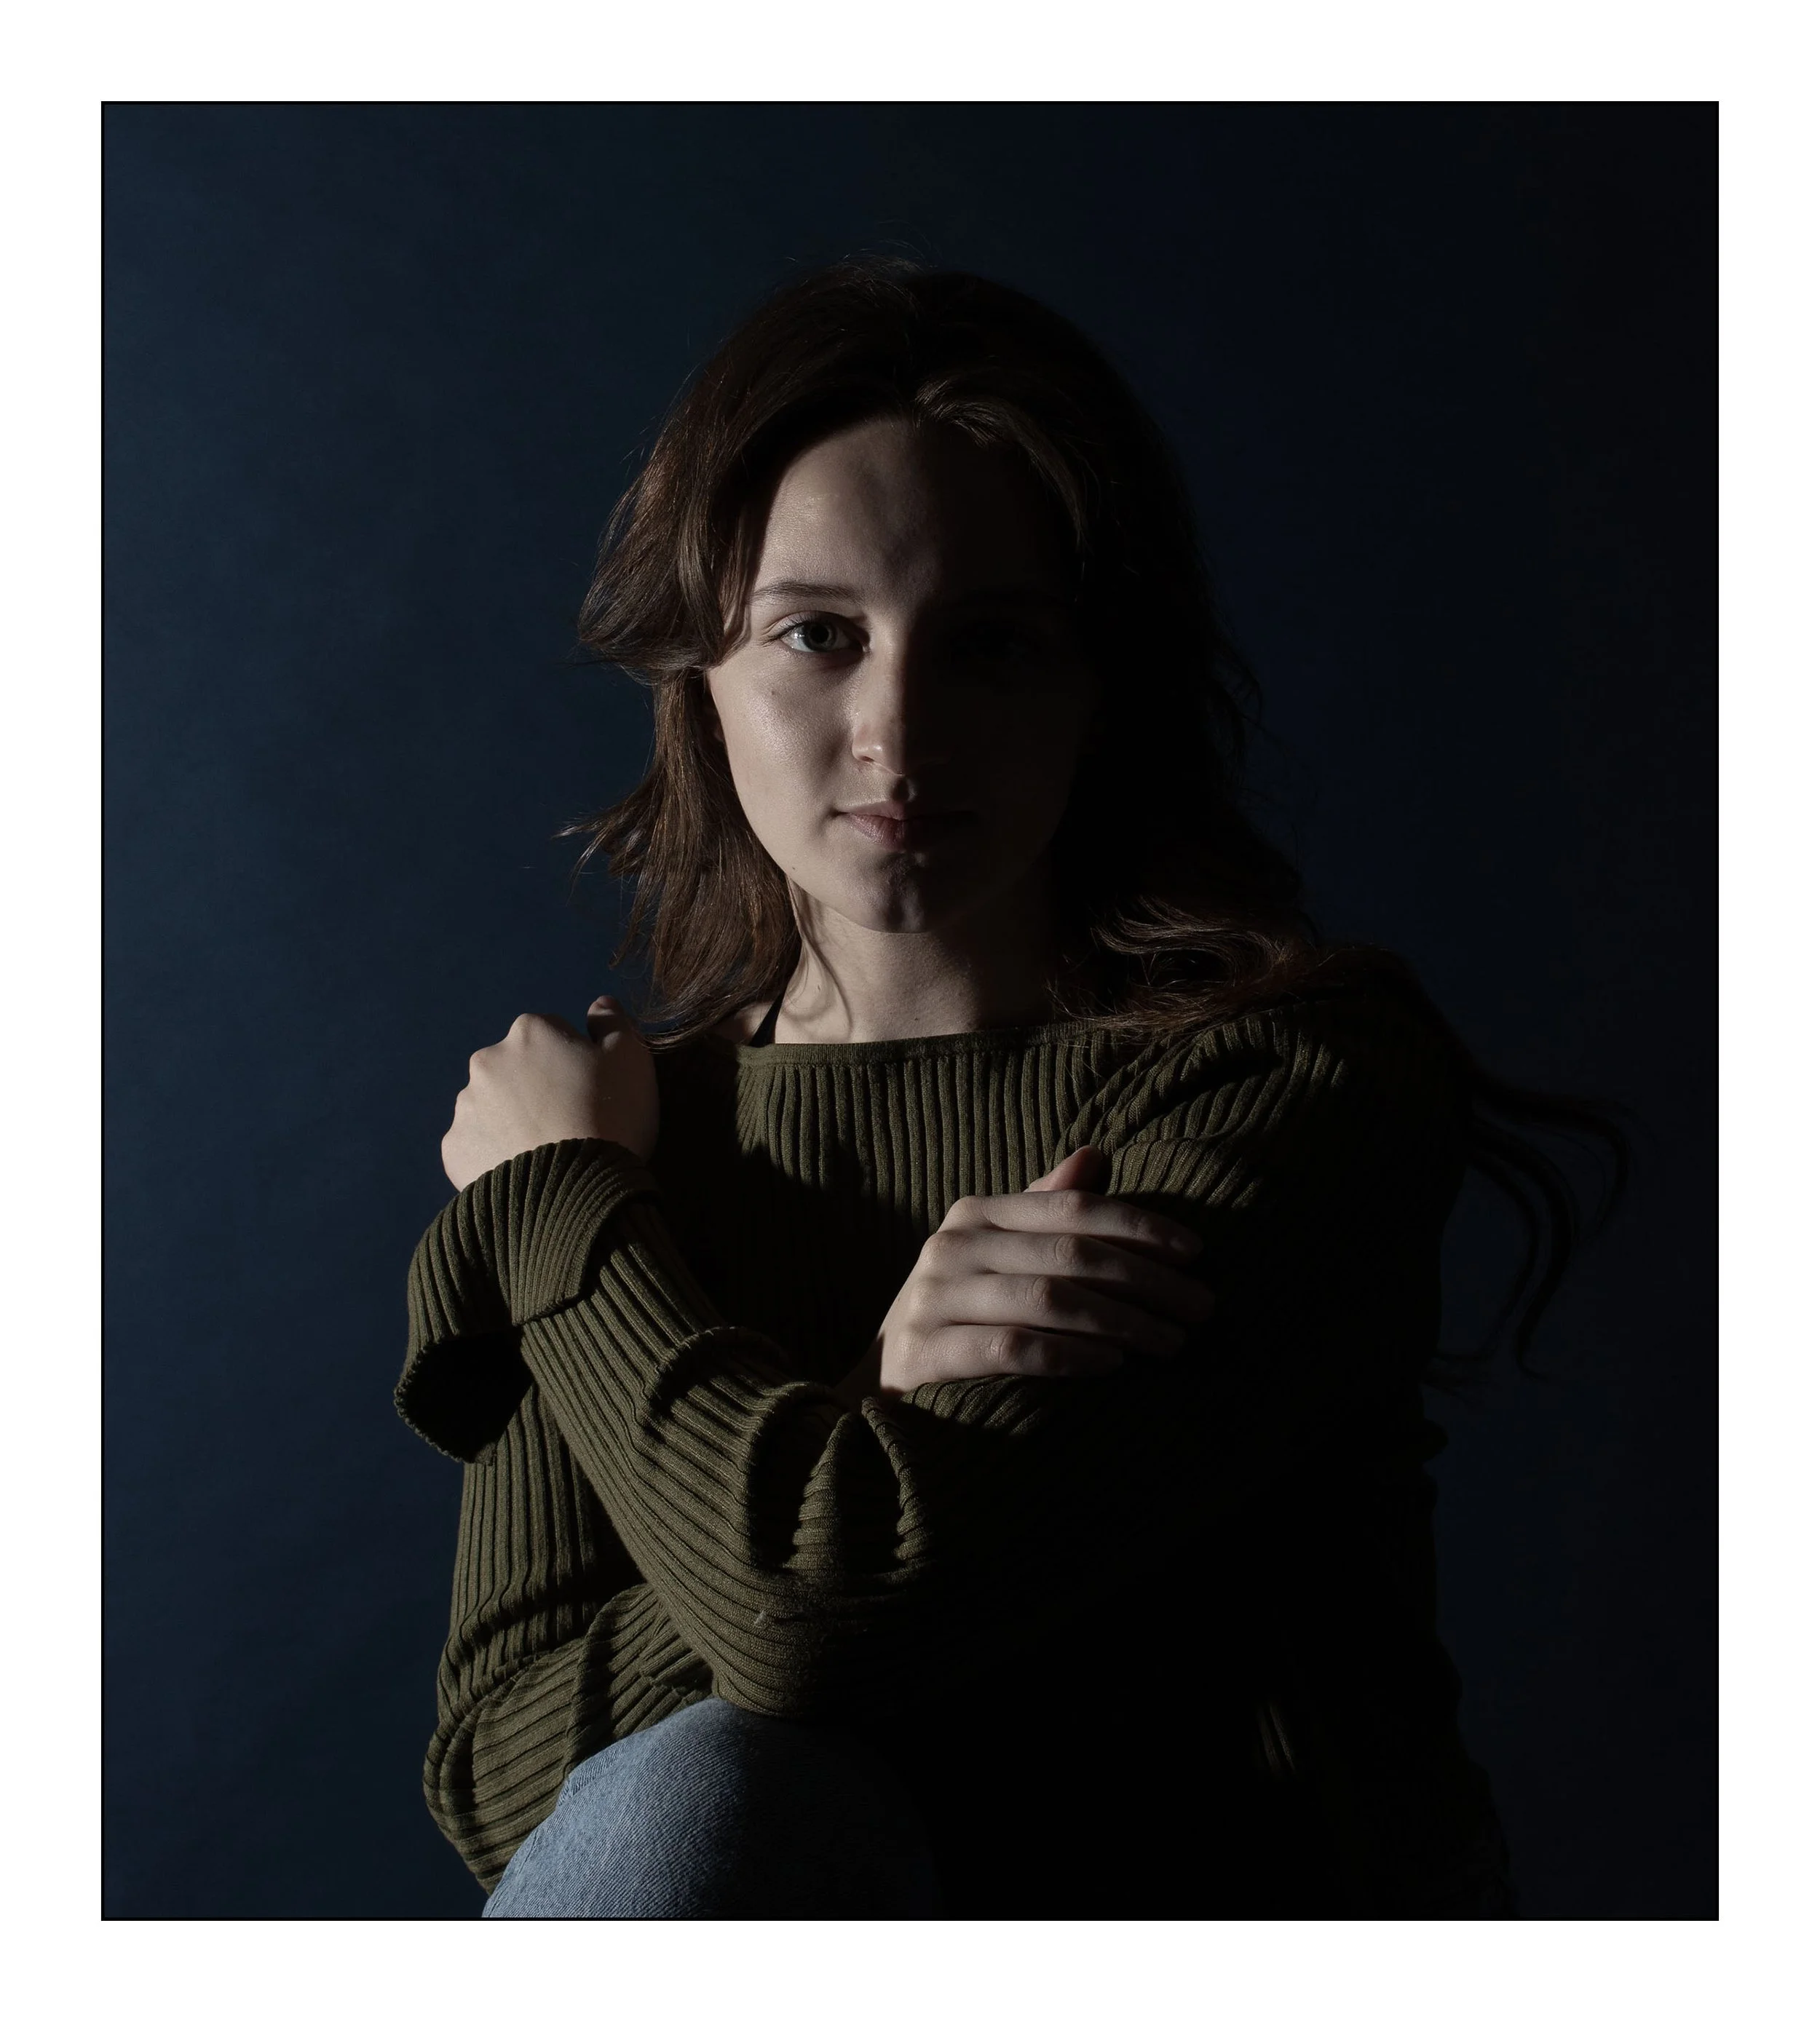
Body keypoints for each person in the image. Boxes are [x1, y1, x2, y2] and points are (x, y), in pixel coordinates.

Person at [395, 258, 1620, 1919]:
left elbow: (816, 1614)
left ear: (1097, 687)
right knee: (695, 1793)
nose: (895, 733)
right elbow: (512, 1785)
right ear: (700, 676)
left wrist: (572, 1236)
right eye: (816, 637)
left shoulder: (1277, 1090)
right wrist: (867, 1411)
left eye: (990, 646)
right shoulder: (613, 1152)